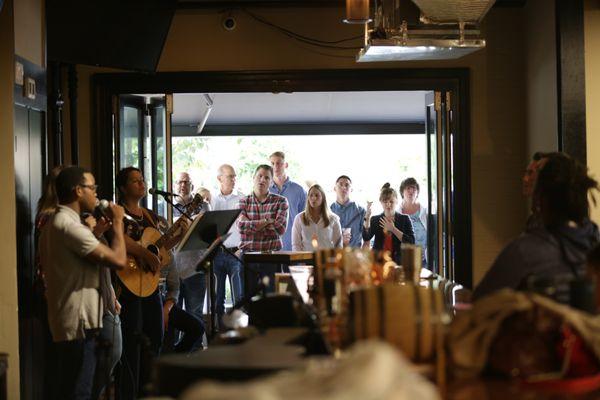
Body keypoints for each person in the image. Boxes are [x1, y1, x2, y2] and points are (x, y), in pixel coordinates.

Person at [39, 166, 127, 400]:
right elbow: (119, 260)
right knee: (79, 392)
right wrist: (118, 223)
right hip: (78, 324)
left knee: (77, 389)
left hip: (78, 321)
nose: (96, 194)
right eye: (92, 188)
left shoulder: (63, 222)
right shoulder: (68, 226)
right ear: (78, 191)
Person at [473, 153, 600, 301]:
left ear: (542, 197)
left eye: (535, 174)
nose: (527, 180)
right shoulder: (593, 239)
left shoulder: (524, 251)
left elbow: (481, 302)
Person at [115, 166, 187, 399]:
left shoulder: (150, 216)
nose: (141, 184)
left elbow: (160, 249)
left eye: (142, 180)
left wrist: (179, 235)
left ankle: (149, 392)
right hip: (128, 286)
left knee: (154, 339)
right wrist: (143, 253)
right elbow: (117, 238)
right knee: (132, 348)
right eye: (135, 181)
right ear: (123, 187)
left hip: (150, 287)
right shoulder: (118, 213)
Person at [239, 164, 289, 293]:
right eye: (259, 176)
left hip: (271, 258)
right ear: (253, 177)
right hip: (248, 257)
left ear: (271, 182)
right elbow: (241, 227)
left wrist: (252, 224)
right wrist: (267, 221)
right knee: (248, 302)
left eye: (266, 178)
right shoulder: (243, 202)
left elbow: (280, 229)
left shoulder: (281, 201)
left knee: (272, 302)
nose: (262, 180)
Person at [210, 164, 244, 328]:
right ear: (219, 179)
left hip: (235, 253)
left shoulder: (242, 199)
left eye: (234, 176)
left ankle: (239, 334)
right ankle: (220, 334)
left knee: (239, 298)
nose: (234, 179)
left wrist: (241, 249)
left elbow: (247, 228)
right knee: (218, 299)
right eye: (230, 176)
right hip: (217, 254)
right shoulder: (212, 200)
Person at [362, 183, 415, 265]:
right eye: (385, 201)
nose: (388, 204)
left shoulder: (404, 219)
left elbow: (411, 242)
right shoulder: (375, 219)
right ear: (381, 202)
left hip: (398, 263)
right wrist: (367, 218)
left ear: (397, 201)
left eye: (391, 201)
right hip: (378, 262)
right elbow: (366, 237)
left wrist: (393, 229)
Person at [269, 151, 306, 251]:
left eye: (279, 163)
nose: (275, 167)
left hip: (294, 245)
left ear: (286, 165)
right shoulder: (265, 191)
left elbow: (305, 220)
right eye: (272, 163)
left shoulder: (299, 190)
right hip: (270, 247)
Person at [292, 184, 342, 251]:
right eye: (311, 195)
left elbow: (338, 245)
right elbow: (296, 244)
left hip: (327, 260)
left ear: (323, 198)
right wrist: (299, 260)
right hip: (305, 260)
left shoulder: (334, 219)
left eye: (317, 195)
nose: (313, 198)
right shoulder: (299, 218)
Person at [330, 175, 367, 248]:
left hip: (355, 256)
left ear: (351, 189)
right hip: (334, 256)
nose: (344, 187)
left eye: (347, 185)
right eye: (340, 184)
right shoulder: (328, 211)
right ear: (334, 188)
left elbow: (367, 239)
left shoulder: (361, 211)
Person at [399, 177, 428, 266]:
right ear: (402, 192)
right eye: (408, 188)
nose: (411, 191)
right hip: (404, 260)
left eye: (414, 188)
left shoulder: (426, 211)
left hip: (424, 260)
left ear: (417, 192)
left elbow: (434, 237)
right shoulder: (397, 213)